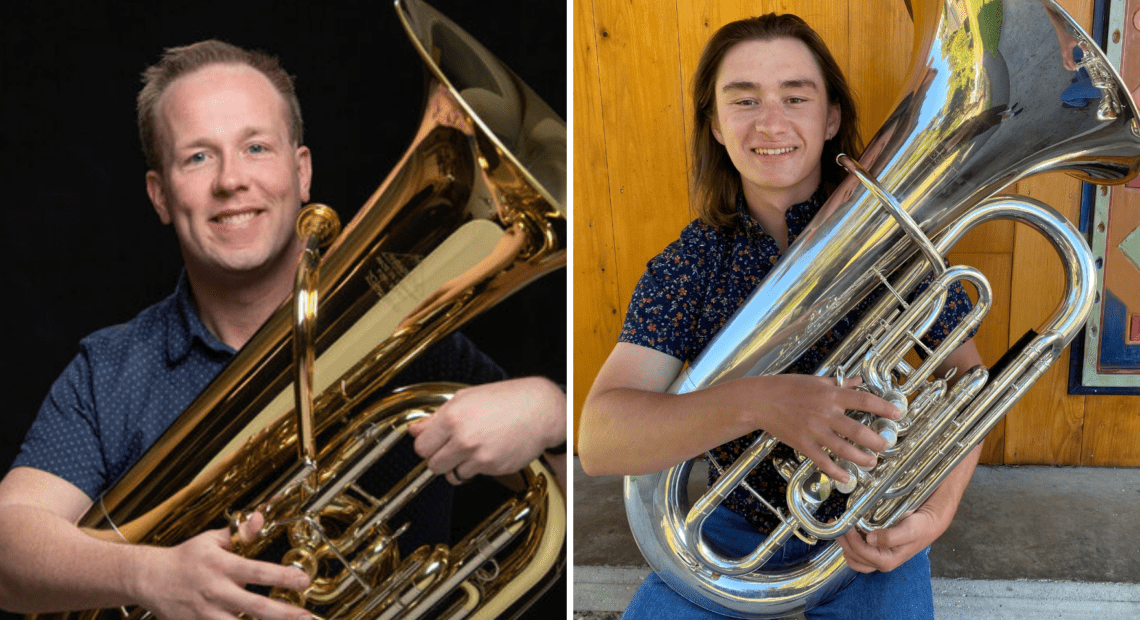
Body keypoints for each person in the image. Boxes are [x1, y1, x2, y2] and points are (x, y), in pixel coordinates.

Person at [0, 39, 565, 620]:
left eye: (256, 147)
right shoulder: (112, 370)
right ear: (160, 195)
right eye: (197, 157)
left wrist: (554, 414)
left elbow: (599, 509)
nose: (231, 181)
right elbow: (7, 548)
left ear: (301, 173)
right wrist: (148, 574)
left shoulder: (417, 343)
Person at [577, 13, 983, 620]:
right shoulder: (687, 266)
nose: (771, 123)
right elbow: (600, 441)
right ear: (714, 125)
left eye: (796, 97)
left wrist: (936, 511)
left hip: (867, 525)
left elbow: (968, 383)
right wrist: (759, 402)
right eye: (744, 101)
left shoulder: (896, 239)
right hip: (732, 535)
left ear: (831, 118)